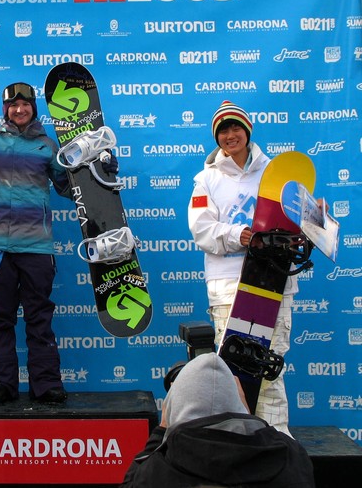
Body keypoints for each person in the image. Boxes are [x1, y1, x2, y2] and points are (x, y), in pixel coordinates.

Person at [0, 82, 117, 404]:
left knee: (39, 319)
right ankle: (2, 384)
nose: (19, 110)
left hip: (36, 247)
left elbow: (67, 187)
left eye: (25, 104)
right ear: (5, 110)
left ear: (33, 107)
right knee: (0, 319)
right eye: (12, 105)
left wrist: (98, 170)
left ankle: (46, 385)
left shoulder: (47, 146)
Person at [187, 100, 295, 435]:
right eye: (223, 130)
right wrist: (240, 235)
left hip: (273, 280)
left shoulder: (275, 172)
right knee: (237, 367)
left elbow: (297, 219)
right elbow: (201, 228)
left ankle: (277, 440)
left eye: (236, 128)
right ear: (216, 137)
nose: (230, 135)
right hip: (228, 282)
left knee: (271, 363)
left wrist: (312, 217)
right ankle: (241, 441)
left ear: (247, 131)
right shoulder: (206, 179)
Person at [120, 353, 315, 487]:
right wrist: (247, 418)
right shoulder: (290, 457)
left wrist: (161, 430)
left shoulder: (159, 472)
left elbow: (131, 482)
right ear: (238, 403)